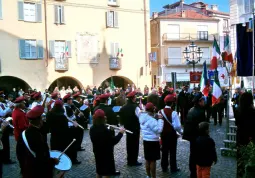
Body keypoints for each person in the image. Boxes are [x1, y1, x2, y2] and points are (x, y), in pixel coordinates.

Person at [16, 105, 59, 178]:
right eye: (42, 118)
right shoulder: (38, 136)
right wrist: (53, 161)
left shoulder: (23, 133)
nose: (43, 120)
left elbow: (19, 153)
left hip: (27, 168)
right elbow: (42, 158)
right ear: (39, 120)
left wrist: (23, 167)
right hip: (38, 171)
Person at [90, 109, 125, 178]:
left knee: (99, 170)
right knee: (107, 172)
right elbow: (113, 141)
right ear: (104, 118)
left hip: (97, 152)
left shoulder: (92, 128)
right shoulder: (105, 130)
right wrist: (120, 133)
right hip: (106, 153)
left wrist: (111, 131)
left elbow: (103, 138)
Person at [46, 100, 78, 167]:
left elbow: (48, 125)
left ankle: (54, 161)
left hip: (54, 135)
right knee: (64, 148)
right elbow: (65, 128)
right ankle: (70, 160)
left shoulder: (49, 114)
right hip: (62, 136)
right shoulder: (62, 116)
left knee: (55, 149)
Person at [183, 93, 206, 178]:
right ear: (200, 101)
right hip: (198, 137)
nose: (204, 101)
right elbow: (202, 127)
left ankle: (192, 172)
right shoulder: (200, 112)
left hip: (192, 138)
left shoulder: (191, 109)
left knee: (192, 155)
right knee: (198, 156)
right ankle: (197, 173)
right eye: (203, 100)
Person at [139, 102, 164, 178]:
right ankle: (153, 176)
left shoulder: (142, 117)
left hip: (146, 140)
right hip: (153, 141)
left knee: (147, 159)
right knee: (153, 160)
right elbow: (159, 130)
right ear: (152, 109)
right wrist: (160, 120)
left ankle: (148, 175)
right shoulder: (151, 120)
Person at [159, 95, 182, 173]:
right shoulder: (174, 113)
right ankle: (173, 167)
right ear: (172, 103)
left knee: (164, 150)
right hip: (172, 135)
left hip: (163, 134)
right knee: (172, 151)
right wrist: (181, 132)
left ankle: (164, 167)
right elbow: (177, 126)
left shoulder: (160, 111)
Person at [119, 91, 142, 166]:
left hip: (127, 129)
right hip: (135, 129)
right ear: (133, 98)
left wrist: (123, 126)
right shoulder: (135, 107)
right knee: (135, 145)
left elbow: (121, 119)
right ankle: (134, 161)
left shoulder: (123, 107)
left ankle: (129, 160)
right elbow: (140, 118)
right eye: (135, 97)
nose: (136, 98)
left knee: (129, 144)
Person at [236, 92, 255, 177]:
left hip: (240, 136)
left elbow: (237, 123)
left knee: (240, 159)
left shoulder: (238, 110)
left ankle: (239, 174)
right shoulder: (252, 112)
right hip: (250, 137)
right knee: (250, 159)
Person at [63, 94, 82, 164]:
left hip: (68, 127)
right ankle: (74, 159)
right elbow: (73, 118)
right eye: (70, 99)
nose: (71, 101)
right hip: (71, 127)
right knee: (73, 144)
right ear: (67, 100)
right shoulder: (68, 108)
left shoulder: (65, 107)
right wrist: (78, 115)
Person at [0, 91, 15, 164]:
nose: (3, 98)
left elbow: (7, 112)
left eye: (3, 96)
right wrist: (9, 107)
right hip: (2, 124)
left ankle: (6, 157)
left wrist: (10, 108)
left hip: (5, 122)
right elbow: (2, 113)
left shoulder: (3, 104)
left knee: (6, 141)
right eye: (2, 97)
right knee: (4, 142)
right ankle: (5, 159)